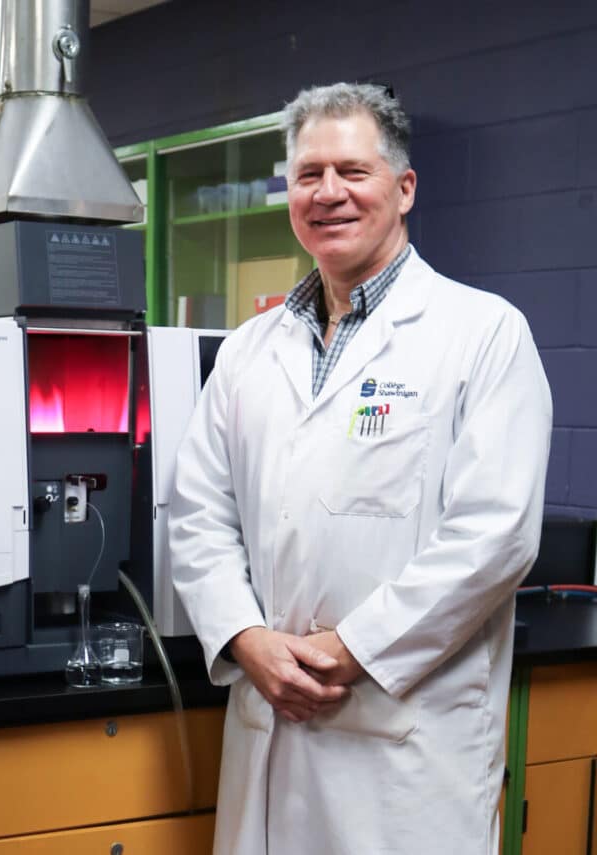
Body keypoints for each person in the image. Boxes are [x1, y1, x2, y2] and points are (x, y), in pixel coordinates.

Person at [169, 82, 551, 855]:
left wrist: (352, 648)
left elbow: (495, 534)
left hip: (404, 745)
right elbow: (197, 511)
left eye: (353, 170)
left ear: (404, 188)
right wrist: (245, 635)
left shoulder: (482, 333)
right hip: (270, 724)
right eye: (308, 174)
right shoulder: (249, 350)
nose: (328, 193)